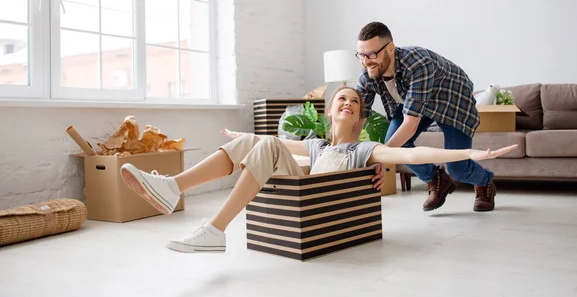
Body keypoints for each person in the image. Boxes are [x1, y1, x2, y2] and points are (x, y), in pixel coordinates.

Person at [119, 87, 517, 253]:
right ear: (328, 111)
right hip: (300, 185)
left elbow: (411, 156)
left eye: (355, 104)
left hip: (316, 199)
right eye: (341, 100)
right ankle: (173, 187)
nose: (348, 103)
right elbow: (260, 142)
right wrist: (236, 134)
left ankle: (214, 230)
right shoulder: (316, 144)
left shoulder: (366, 148)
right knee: (257, 142)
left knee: (267, 143)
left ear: (360, 119)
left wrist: (471, 154)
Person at [355, 21, 498, 212]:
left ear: (390, 48)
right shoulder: (368, 74)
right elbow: (358, 118)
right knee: (394, 143)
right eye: (361, 55)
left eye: (372, 54)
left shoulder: (418, 64)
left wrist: (380, 157)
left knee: (458, 168)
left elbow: (410, 125)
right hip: (415, 102)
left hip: (451, 102)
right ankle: (437, 180)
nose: (366, 61)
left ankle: (485, 182)